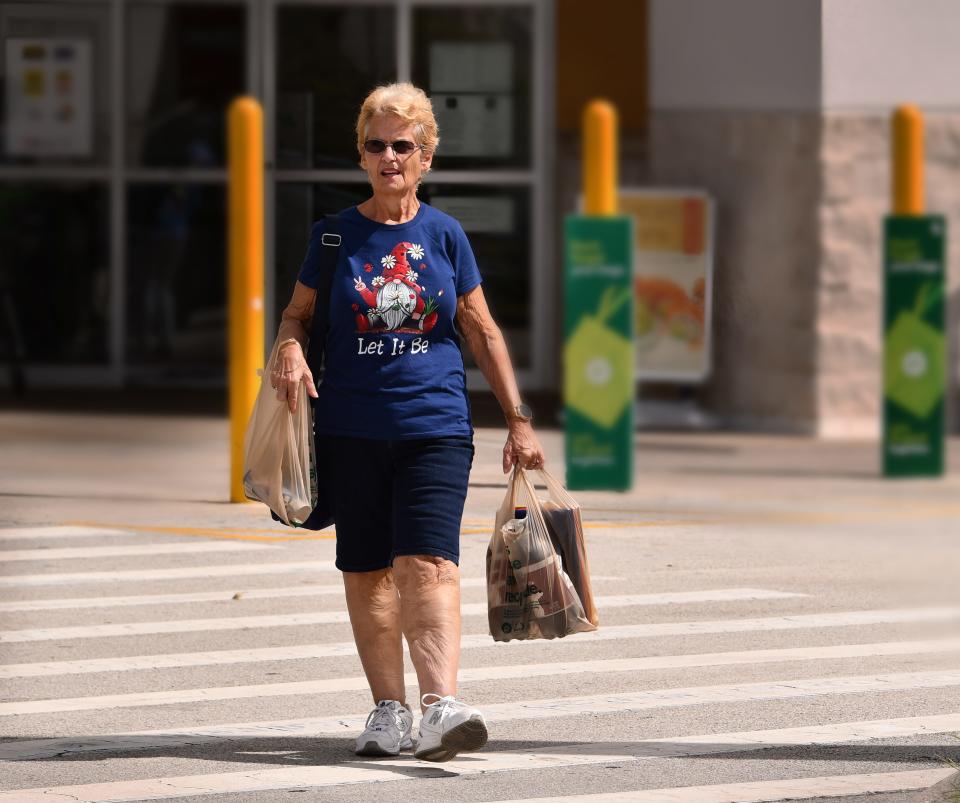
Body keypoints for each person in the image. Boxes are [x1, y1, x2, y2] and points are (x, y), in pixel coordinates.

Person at [270, 82, 545, 763]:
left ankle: (440, 704)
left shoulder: (445, 235)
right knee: (367, 570)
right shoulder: (334, 234)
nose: (390, 156)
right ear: (363, 155)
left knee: (429, 561)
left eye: (404, 145)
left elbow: (480, 329)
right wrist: (287, 349)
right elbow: (297, 316)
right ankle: (388, 710)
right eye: (377, 144)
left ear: (425, 158)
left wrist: (519, 419)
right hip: (351, 428)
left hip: (435, 426)